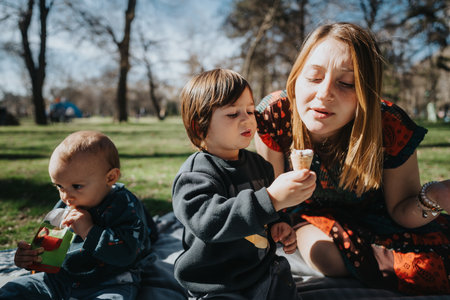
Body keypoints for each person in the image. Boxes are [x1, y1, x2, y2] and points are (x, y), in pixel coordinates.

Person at [254, 22, 450, 295]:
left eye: (346, 83)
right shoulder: (275, 116)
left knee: (429, 268)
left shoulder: (390, 126)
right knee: (328, 257)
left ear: (366, 94)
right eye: (313, 77)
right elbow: (272, 201)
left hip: (379, 219)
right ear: (296, 78)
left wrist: (436, 197)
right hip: (307, 216)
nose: (324, 94)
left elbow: (402, 211)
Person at [172, 68, 316, 299]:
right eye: (232, 114)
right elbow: (208, 223)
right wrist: (271, 199)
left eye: (250, 110)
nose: (247, 118)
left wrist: (281, 224)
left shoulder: (261, 166)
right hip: (216, 280)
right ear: (200, 126)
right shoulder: (196, 174)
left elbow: (270, 213)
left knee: (283, 280)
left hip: (260, 270)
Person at [0, 130, 154, 299]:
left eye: (77, 186)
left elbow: (128, 254)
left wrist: (89, 231)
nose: (66, 196)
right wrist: (31, 258)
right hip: (59, 280)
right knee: (13, 290)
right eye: (59, 186)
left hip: (109, 282)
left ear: (110, 178)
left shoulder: (124, 205)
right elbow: (47, 257)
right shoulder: (65, 204)